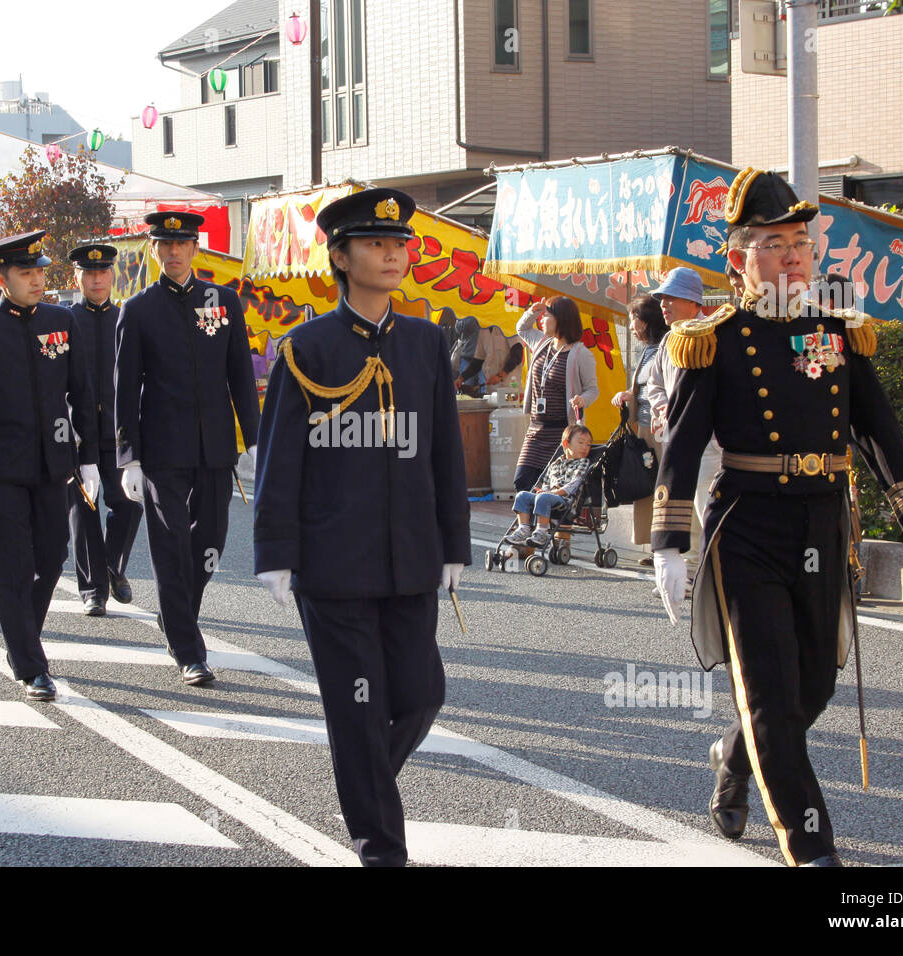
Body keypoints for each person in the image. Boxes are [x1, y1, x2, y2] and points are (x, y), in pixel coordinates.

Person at [651, 168, 903, 867]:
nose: (792, 256)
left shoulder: (838, 332)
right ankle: (812, 850)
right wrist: (669, 545)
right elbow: (682, 447)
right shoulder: (713, 339)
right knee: (773, 693)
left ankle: (734, 752)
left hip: (821, 523)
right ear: (738, 259)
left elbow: (876, 431)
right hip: (747, 527)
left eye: (801, 243)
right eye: (773, 243)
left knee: (814, 687)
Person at [254, 187, 470, 867]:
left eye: (399, 243)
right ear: (341, 257)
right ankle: (381, 848)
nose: (393, 254)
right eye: (376, 244)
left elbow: (444, 451)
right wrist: (276, 551)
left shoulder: (427, 342)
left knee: (420, 695)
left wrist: (454, 542)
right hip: (333, 562)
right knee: (356, 706)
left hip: (410, 558)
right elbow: (280, 457)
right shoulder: (305, 348)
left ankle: (362, 783)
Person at [0, 231, 100, 702]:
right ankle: (33, 666)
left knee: (52, 556)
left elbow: (82, 393)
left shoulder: (62, 321)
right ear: (2, 279)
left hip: (54, 465)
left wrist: (91, 458)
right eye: (26, 273)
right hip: (2, 469)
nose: (37, 280)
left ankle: (22, 639)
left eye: (39, 271)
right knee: (12, 568)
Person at [114, 211, 260, 687]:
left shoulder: (224, 302)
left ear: (196, 248)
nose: (173, 252)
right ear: (153, 249)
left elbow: (240, 373)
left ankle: (176, 615)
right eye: (164, 244)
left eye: (182, 244)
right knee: (171, 543)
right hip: (161, 449)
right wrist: (128, 455)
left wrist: (255, 438)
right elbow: (124, 388)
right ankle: (189, 649)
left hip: (216, 445)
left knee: (211, 543)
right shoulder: (137, 310)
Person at [67, 243, 143, 616]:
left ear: (112, 276)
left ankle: (113, 566)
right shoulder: (64, 322)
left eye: (103, 273)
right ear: (76, 277)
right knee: (84, 511)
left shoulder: (126, 317)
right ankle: (92, 590)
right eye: (89, 273)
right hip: (80, 435)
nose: (97, 279)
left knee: (128, 505)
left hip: (118, 433)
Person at [646, 268, 723, 531]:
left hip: (709, 444)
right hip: (674, 439)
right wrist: (663, 407)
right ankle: (690, 569)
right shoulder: (668, 339)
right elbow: (654, 384)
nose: (664, 305)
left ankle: (712, 570)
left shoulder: (714, 335)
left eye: (671, 297)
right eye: (662, 299)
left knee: (708, 513)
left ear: (693, 302)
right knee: (679, 518)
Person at [513, 295, 599, 491]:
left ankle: (542, 521)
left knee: (554, 486)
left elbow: (593, 389)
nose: (542, 319)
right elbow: (522, 328)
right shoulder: (542, 342)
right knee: (522, 480)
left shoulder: (581, 353)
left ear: (560, 319)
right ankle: (532, 520)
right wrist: (533, 311)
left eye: (546, 315)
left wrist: (582, 399)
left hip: (561, 430)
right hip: (536, 428)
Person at [612, 295, 669, 558]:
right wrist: (629, 395)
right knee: (646, 483)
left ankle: (666, 543)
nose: (631, 326)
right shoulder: (648, 349)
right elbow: (645, 388)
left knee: (661, 484)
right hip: (645, 428)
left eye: (633, 319)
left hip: (661, 427)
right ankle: (653, 543)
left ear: (645, 321)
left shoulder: (667, 346)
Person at [505, 423, 592, 546]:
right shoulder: (555, 464)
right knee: (522, 495)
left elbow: (574, 484)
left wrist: (553, 493)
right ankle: (524, 528)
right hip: (549, 496)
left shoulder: (583, 462)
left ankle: (541, 532)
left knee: (543, 497)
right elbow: (546, 482)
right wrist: (545, 490)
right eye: (581, 443)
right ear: (566, 444)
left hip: (565, 500)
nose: (585, 447)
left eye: (588, 444)